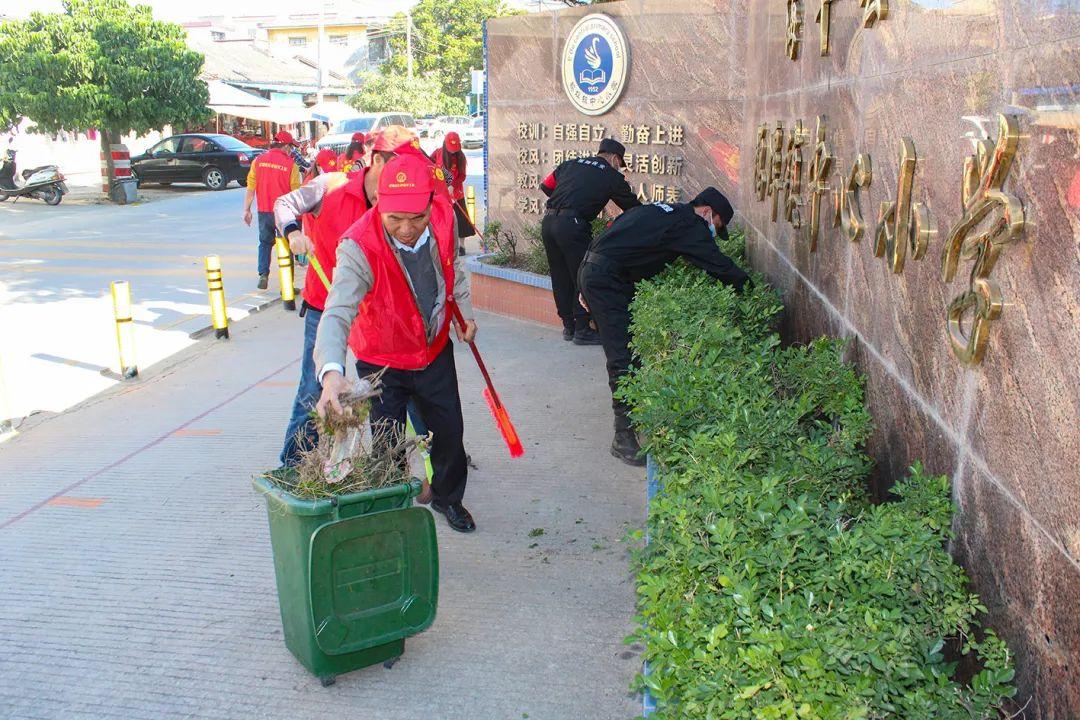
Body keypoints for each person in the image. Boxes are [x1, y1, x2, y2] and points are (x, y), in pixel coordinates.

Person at [314, 153, 478, 533]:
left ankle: (448, 498)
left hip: (433, 351)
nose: (407, 229)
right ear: (378, 203)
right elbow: (337, 312)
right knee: (388, 441)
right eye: (395, 219)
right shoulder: (358, 245)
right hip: (382, 360)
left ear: (430, 204)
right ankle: (394, 507)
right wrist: (331, 374)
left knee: (449, 432)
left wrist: (465, 315)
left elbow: (454, 268)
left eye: (416, 218)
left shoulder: (445, 218)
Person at [578, 188, 749, 466]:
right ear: (707, 212)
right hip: (606, 280)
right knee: (623, 357)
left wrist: (585, 280)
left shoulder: (664, 211)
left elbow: (610, 234)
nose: (714, 233)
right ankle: (623, 438)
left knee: (628, 352)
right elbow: (717, 264)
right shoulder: (690, 224)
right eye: (717, 227)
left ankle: (631, 424)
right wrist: (748, 287)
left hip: (597, 271)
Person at [271, 131, 398, 469]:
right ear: (377, 160)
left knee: (396, 385)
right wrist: (293, 233)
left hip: (374, 311)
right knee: (314, 389)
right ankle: (294, 465)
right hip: (325, 308)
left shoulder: (396, 201)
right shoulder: (329, 186)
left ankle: (424, 456)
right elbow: (283, 205)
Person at [540, 137, 640, 345]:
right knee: (581, 275)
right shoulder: (610, 175)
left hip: (548, 222)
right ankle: (583, 329)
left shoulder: (570, 163)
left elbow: (546, 186)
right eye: (620, 164)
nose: (619, 168)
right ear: (615, 159)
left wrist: (570, 198)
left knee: (559, 274)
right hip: (572, 225)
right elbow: (633, 208)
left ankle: (569, 326)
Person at [243, 131, 301, 289]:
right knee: (286, 247)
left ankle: (263, 274)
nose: (291, 151)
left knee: (264, 243)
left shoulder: (258, 161)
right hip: (284, 214)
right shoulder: (291, 165)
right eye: (291, 147)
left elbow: (251, 188)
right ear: (286, 147)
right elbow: (295, 193)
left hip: (264, 211)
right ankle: (287, 287)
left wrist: (247, 210)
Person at [432, 132, 476, 243]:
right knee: (444, 220)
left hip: (456, 193)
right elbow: (429, 165)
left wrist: (452, 185)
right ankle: (445, 244)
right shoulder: (438, 153)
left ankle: (462, 245)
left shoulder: (460, 157)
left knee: (461, 220)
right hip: (441, 194)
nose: (453, 151)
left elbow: (462, 176)